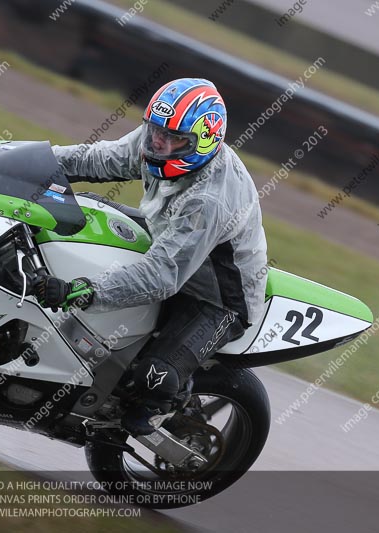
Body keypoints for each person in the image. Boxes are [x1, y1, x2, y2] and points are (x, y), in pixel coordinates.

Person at [32, 78, 268, 435]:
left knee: (156, 378)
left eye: (172, 140)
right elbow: (95, 159)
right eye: (156, 131)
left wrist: (83, 288)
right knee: (91, 213)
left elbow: (160, 276)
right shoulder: (157, 141)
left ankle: (170, 410)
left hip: (217, 297)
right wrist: (27, 159)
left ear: (201, 143)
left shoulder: (210, 200)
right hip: (170, 239)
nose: (158, 144)